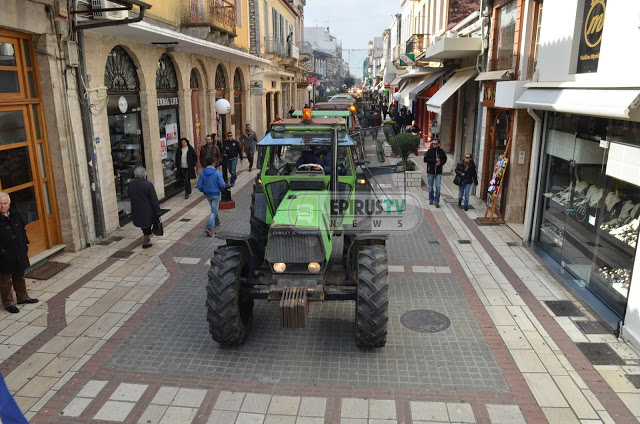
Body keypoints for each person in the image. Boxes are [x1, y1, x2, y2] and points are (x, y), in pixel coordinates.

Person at [0, 192, 38, 314]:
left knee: (19, 276)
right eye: (0, 204)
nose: (2, 206)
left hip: (18, 250)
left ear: (9, 203)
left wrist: (24, 244)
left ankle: (23, 297)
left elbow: (22, 228)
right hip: (4, 255)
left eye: (5, 203)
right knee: (5, 281)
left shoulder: (15, 213)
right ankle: (8, 303)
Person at [127, 167, 161, 249]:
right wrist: (157, 211)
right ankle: (145, 242)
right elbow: (153, 199)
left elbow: (129, 195)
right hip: (147, 209)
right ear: (144, 175)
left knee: (143, 224)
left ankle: (146, 239)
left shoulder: (131, 185)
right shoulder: (148, 184)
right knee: (147, 225)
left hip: (136, 208)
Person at [197, 157, 226, 237]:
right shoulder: (217, 172)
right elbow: (222, 184)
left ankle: (217, 222)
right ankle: (208, 227)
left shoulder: (203, 173)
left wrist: (204, 190)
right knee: (214, 211)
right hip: (216, 194)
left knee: (214, 208)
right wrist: (220, 189)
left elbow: (199, 185)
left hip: (208, 194)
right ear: (213, 163)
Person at [423, 138, 447, 208]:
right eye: (433, 144)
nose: (433, 145)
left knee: (438, 187)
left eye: (435, 144)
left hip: (438, 172)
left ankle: (436, 201)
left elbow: (445, 159)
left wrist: (441, 163)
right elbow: (425, 159)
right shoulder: (430, 151)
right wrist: (434, 160)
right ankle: (431, 199)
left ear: (438, 144)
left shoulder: (441, 151)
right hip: (431, 172)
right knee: (430, 187)